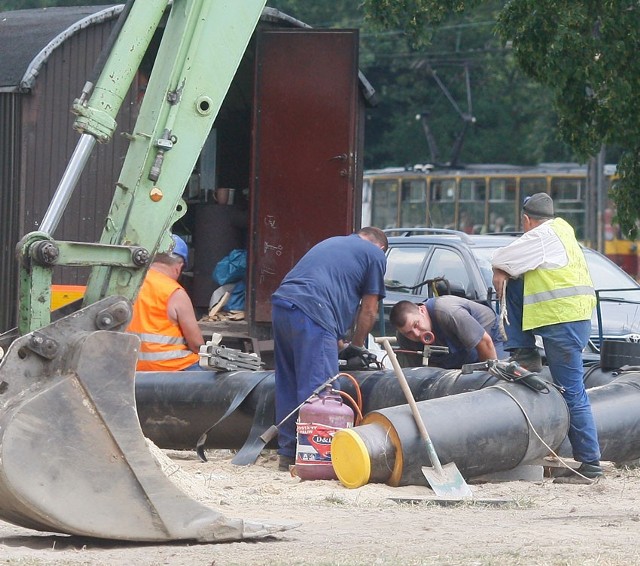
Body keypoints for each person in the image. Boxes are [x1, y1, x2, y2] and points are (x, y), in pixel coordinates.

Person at [491, 192, 602, 480]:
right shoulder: (562, 230)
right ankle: (524, 350)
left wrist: (499, 270)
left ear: (527, 220)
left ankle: (590, 464)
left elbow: (502, 257)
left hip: (561, 321)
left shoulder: (540, 235)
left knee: (572, 392)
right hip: (571, 319)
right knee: (516, 278)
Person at [271, 227, 388, 471]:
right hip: (314, 308)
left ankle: (289, 453)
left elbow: (324, 290)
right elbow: (369, 310)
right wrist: (356, 346)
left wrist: (339, 343)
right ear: (381, 247)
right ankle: (318, 458)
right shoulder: (375, 255)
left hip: (283, 305)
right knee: (321, 390)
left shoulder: (333, 242)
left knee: (289, 382)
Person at [128, 234, 205, 371]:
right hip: (171, 369)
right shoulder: (175, 292)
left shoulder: (127, 285)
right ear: (178, 267)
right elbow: (197, 345)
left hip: (130, 367)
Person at [389, 297, 506, 369]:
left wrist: (489, 380)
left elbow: (485, 342)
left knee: (499, 381)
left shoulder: (447, 312)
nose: (416, 334)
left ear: (422, 310)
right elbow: (420, 372)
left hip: (490, 338)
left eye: (416, 324)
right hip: (458, 355)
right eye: (408, 333)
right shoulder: (404, 338)